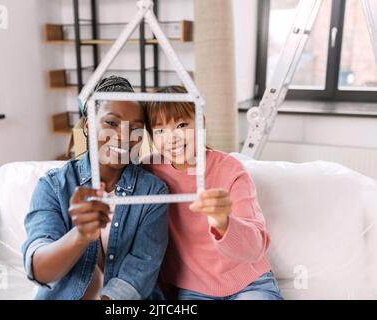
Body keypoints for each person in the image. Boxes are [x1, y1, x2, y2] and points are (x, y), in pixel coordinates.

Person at [22, 76, 169, 300]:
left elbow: (140, 272)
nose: (123, 136)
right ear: (89, 125)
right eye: (111, 123)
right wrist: (80, 235)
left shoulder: (153, 192)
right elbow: (41, 271)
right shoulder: (53, 186)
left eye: (135, 128)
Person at [143, 86, 283, 300]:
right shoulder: (148, 171)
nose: (172, 138)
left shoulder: (230, 170)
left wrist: (223, 222)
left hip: (250, 284)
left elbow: (256, 247)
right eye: (160, 130)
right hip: (193, 291)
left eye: (182, 125)